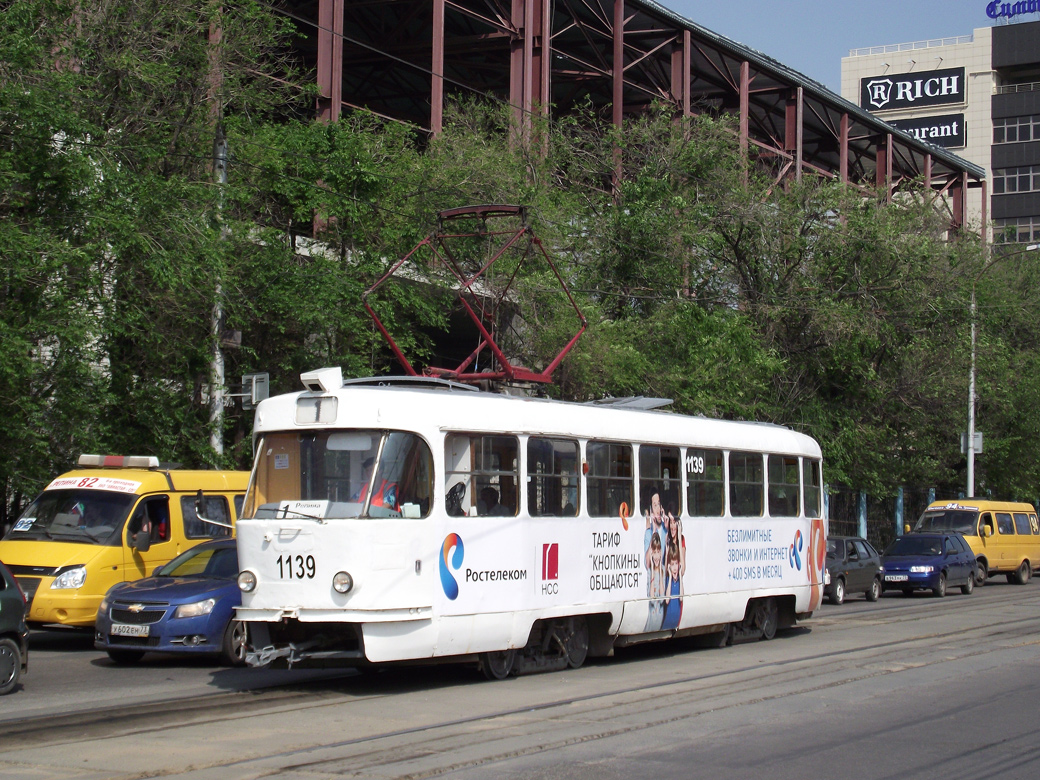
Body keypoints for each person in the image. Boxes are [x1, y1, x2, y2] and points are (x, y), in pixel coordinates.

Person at [644, 534, 665, 632]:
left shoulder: (663, 570)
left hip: (659, 617)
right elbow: (652, 600)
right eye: (654, 552)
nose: (656, 556)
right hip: (651, 619)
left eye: (658, 552)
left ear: (661, 553)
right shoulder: (649, 572)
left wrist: (660, 568)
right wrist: (652, 568)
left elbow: (661, 599)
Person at [661, 543, 683, 630]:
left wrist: (680, 576)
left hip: (676, 621)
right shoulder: (667, 580)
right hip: (667, 621)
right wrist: (670, 577)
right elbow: (667, 600)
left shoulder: (679, 582)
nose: (674, 568)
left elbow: (681, 598)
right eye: (672, 564)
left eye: (676, 564)